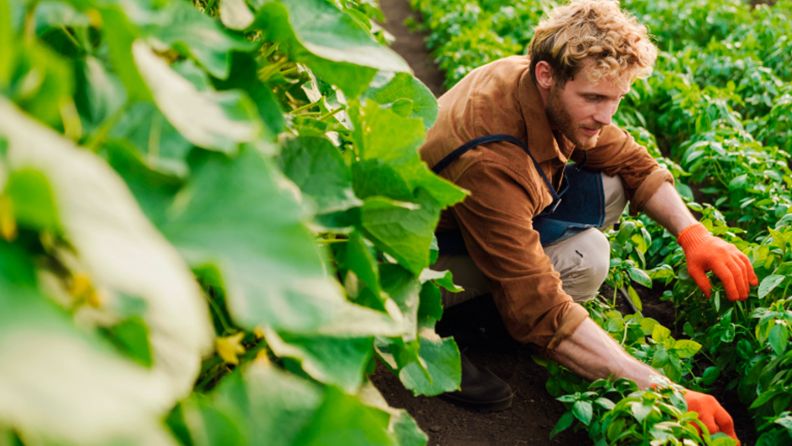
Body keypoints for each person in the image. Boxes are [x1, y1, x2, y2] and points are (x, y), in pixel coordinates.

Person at [419, 0, 757, 441]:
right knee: (572, 268)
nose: (605, 114)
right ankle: (431, 329)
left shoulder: (541, 87)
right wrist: (663, 390)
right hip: (419, 256)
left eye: (615, 99)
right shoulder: (491, 157)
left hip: (472, 220)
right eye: (594, 98)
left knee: (605, 208)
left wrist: (696, 235)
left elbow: (633, 162)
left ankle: (488, 311)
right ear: (547, 76)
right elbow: (539, 305)